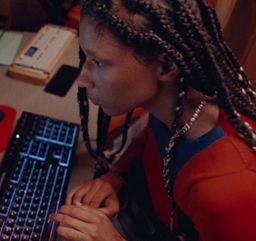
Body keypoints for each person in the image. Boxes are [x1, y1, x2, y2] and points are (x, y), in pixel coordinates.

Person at [49, 0, 256, 240]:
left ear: (166, 65)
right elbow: (151, 139)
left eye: (99, 62)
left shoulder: (226, 190)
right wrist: (117, 176)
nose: (82, 79)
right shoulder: (177, 104)